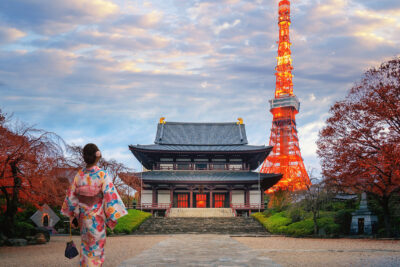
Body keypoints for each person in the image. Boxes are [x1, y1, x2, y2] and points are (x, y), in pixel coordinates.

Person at [61, 143, 128, 266]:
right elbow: (110, 196)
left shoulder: (79, 175)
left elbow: (71, 198)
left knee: (85, 246)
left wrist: (73, 216)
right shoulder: (102, 174)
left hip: (83, 218)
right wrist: (112, 217)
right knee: (96, 249)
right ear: (98, 156)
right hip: (97, 218)